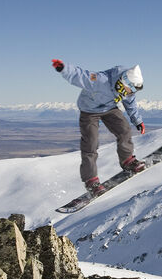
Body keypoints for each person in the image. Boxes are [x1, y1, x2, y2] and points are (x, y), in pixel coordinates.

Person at [51, 59, 147, 196]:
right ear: (123, 82)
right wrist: (63, 68)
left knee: (124, 129)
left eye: (133, 90)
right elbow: (80, 75)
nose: (130, 93)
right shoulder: (100, 81)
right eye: (130, 89)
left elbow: (130, 103)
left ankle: (127, 160)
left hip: (109, 108)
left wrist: (137, 120)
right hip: (89, 111)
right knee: (91, 142)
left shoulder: (128, 91)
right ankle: (91, 181)